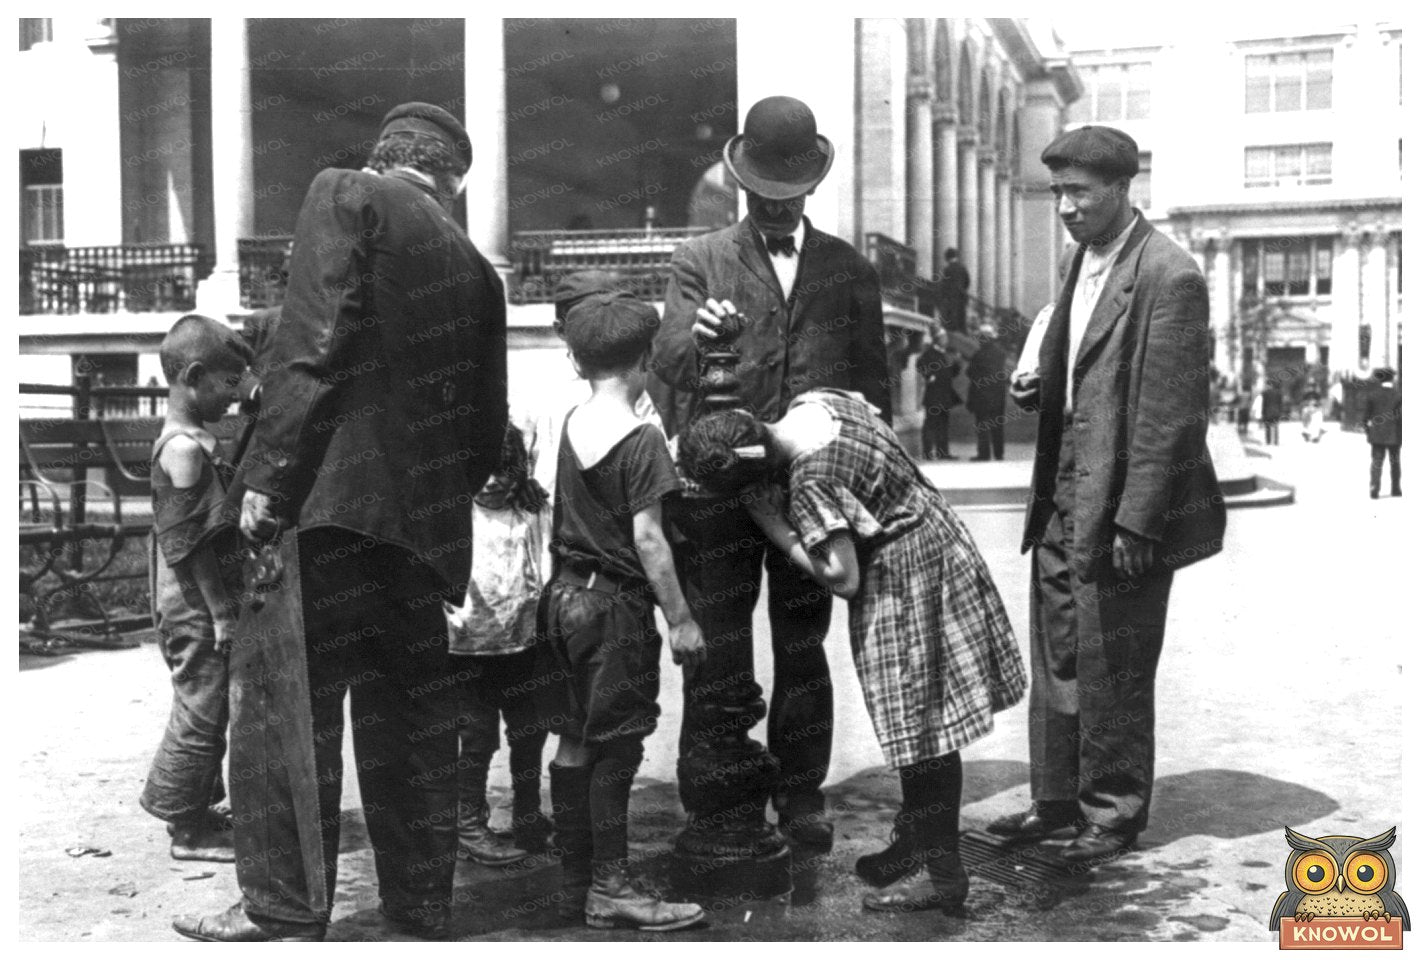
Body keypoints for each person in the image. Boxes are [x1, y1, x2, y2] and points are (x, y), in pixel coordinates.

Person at [177, 103, 508, 942]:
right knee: (412, 725)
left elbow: (312, 348)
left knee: (287, 710)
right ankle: (422, 903)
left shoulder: (346, 193)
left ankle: (287, 907)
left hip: (323, 512)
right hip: (420, 533)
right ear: (448, 181)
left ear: (388, 157)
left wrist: (269, 485)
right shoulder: (476, 267)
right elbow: (484, 432)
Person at [647, 95, 890, 848]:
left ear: (811, 187)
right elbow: (665, 364)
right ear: (742, 185)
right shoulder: (701, 259)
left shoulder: (849, 268)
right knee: (718, 641)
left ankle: (801, 792)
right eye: (762, 196)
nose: (777, 209)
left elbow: (870, 388)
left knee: (801, 645)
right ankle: (719, 798)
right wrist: (699, 334)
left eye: (789, 197)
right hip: (717, 492)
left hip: (810, 488)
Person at [679, 389, 1025, 914]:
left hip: (905, 581)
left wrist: (776, 526)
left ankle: (944, 879)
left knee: (924, 733)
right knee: (922, 727)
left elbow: (842, 577)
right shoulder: (823, 403)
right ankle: (916, 841)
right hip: (941, 545)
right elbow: (874, 411)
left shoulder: (812, 481)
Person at [998, 125, 1225, 862]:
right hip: (1063, 495)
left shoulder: (1171, 275)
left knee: (1114, 664)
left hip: (1123, 505)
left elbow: (1170, 417)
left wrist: (1139, 523)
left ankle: (1114, 812)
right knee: (1060, 653)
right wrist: (1037, 385)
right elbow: (1080, 367)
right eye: (1058, 192)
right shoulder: (1080, 260)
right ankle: (1056, 800)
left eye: (1079, 194)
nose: (1064, 207)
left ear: (1124, 191)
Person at [545, 291, 707, 930]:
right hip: (614, 611)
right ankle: (611, 888)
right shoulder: (641, 438)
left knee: (573, 737)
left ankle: (574, 878)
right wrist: (682, 619)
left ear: (576, 362)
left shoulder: (572, 423)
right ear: (644, 358)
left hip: (562, 601)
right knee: (618, 744)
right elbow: (648, 539)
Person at [140, 314, 251, 864]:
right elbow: (189, 544)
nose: (236, 395)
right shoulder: (181, 448)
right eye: (229, 383)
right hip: (194, 604)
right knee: (201, 709)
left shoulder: (199, 439)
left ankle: (198, 807)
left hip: (204, 602)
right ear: (195, 375)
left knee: (210, 705)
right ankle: (186, 830)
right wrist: (221, 612)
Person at [445, 417, 555, 867]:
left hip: (523, 643)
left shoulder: (529, 509)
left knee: (529, 732)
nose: (491, 482)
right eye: (481, 472)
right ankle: (468, 824)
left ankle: (528, 815)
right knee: (475, 736)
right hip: (467, 648)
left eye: (504, 472)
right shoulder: (454, 513)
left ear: (521, 470)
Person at [916, 327, 962, 460]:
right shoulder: (929, 353)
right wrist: (928, 376)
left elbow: (949, 374)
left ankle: (943, 453)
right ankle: (927, 453)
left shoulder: (943, 354)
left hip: (944, 396)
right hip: (934, 396)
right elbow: (920, 364)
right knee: (930, 424)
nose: (946, 340)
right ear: (937, 339)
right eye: (944, 338)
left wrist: (957, 365)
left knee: (943, 425)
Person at [967, 323, 1007, 461]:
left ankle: (984, 454)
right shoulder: (1001, 353)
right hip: (998, 395)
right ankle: (999, 453)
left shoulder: (978, 355)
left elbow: (970, 373)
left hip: (982, 396)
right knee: (997, 425)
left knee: (982, 425)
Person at [1363, 367, 1402, 498]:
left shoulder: (1372, 395)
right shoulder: (1399, 395)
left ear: (1380, 379)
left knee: (1376, 462)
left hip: (1377, 434)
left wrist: (1369, 432)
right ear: (1392, 379)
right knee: (1395, 462)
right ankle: (1395, 488)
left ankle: (1374, 487)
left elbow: (1365, 418)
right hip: (1395, 435)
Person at [938, 248, 971, 332]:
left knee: (951, 319)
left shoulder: (947, 269)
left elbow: (944, 284)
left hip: (951, 297)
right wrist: (962, 290)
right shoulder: (963, 268)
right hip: (962, 296)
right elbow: (967, 281)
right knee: (961, 318)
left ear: (947, 258)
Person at [1261, 380, 1283, 446]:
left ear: (1268, 385)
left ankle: (1268, 441)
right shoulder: (1279, 393)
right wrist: (1280, 412)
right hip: (1276, 412)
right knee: (1276, 426)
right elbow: (1280, 404)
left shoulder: (1265, 393)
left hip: (1268, 412)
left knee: (1267, 427)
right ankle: (1276, 441)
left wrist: (1263, 413)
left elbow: (1264, 404)